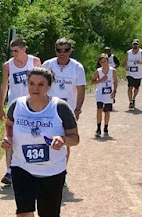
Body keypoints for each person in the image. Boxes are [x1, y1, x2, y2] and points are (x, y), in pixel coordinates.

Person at [1, 67, 79, 217]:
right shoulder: (17, 105)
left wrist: (62, 139)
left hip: (52, 170)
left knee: (48, 213)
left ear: (49, 86)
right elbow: (9, 125)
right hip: (22, 167)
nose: (35, 88)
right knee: (24, 208)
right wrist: (7, 138)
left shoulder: (59, 108)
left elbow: (75, 138)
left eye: (40, 84)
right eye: (32, 83)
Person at [42, 37, 86, 186]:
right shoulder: (48, 64)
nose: (62, 53)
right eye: (59, 50)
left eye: (65, 50)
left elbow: (81, 90)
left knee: (65, 141)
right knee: (44, 138)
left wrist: (78, 109)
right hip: (48, 108)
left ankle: (62, 172)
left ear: (70, 51)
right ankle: (44, 170)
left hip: (67, 110)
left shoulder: (77, 67)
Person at [0, 37, 41, 185]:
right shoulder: (8, 65)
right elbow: (4, 85)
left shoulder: (34, 62)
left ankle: (33, 167)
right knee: (10, 135)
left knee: (34, 134)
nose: (14, 54)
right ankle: (9, 171)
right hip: (15, 104)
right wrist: (1, 106)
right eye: (12, 51)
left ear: (24, 49)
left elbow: (42, 82)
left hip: (32, 103)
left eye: (16, 51)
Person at [91, 53, 117, 137]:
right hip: (100, 94)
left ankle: (106, 127)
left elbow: (115, 81)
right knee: (99, 109)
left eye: (104, 61)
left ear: (108, 61)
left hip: (109, 94)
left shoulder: (113, 71)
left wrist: (114, 92)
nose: (103, 64)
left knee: (107, 111)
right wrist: (101, 80)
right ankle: (98, 128)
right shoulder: (98, 71)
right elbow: (92, 82)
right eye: (101, 62)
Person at [124, 39, 142, 110]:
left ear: (138, 45)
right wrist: (126, 66)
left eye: (136, 44)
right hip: (130, 73)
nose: (135, 46)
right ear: (132, 45)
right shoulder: (128, 52)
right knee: (130, 87)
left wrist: (140, 62)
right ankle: (130, 101)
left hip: (138, 73)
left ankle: (134, 98)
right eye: (134, 44)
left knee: (136, 88)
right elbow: (125, 61)